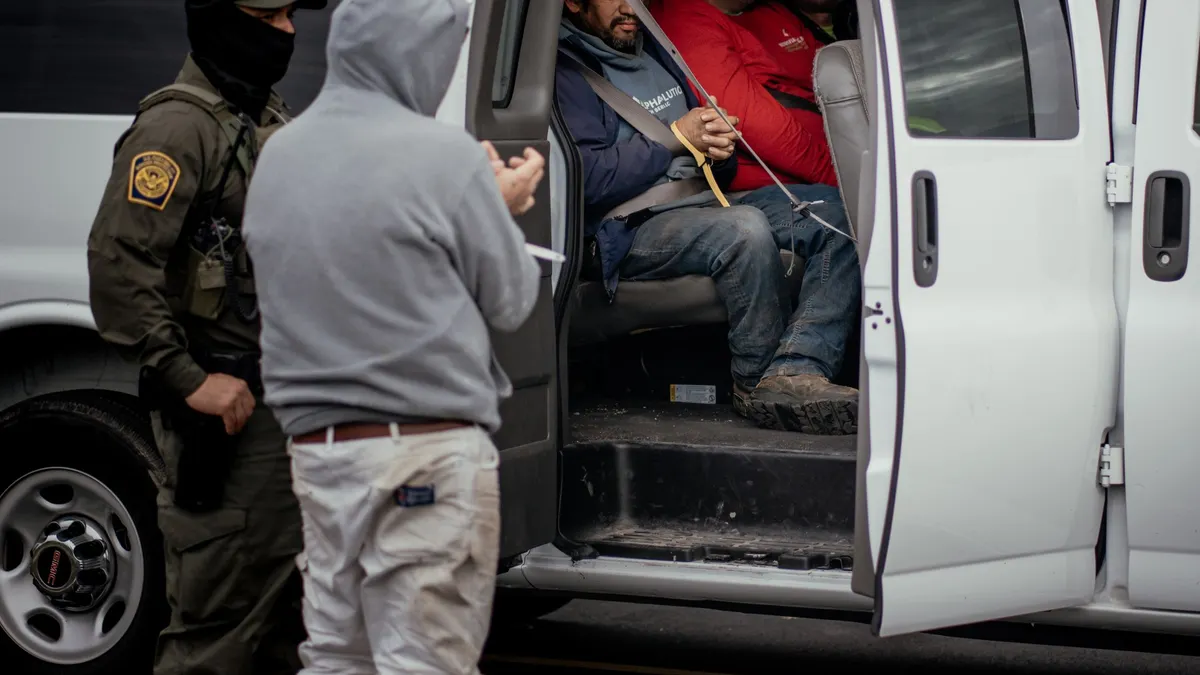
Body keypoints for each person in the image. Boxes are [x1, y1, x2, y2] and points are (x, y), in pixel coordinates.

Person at [241, 0, 544, 672]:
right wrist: (502, 208)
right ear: (419, 52)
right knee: (423, 662)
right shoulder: (446, 157)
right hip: (425, 457)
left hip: (318, 458)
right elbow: (515, 298)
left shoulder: (278, 155)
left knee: (336, 656)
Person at [85, 1, 326, 672]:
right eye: (271, 18)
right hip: (225, 424)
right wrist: (190, 381)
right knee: (218, 630)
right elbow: (117, 269)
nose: (289, 32)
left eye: (288, 18)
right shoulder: (176, 128)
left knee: (282, 617)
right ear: (224, 20)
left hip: (279, 408)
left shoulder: (261, 114)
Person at [559, 0, 861, 434]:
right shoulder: (570, 74)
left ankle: (796, 369)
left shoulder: (655, 52)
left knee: (836, 213)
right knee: (744, 230)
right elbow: (588, 179)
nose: (629, 7)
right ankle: (755, 384)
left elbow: (710, 163)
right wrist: (677, 138)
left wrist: (717, 148)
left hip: (703, 201)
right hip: (629, 224)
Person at [651, 0, 844, 191]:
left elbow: (834, 70)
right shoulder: (685, 18)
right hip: (789, 183)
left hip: (841, 142)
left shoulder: (773, 9)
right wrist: (841, 174)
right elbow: (752, 122)